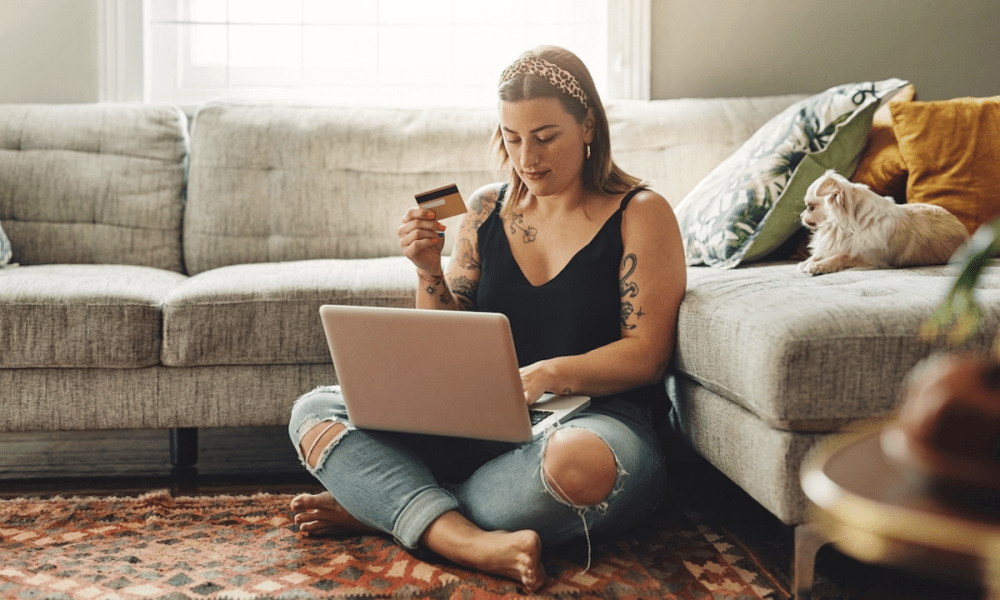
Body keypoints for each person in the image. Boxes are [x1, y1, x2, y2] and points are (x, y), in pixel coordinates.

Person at [287, 45, 687, 592]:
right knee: (315, 411)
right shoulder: (483, 210)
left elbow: (647, 353)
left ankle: (388, 507)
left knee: (577, 466)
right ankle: (463, 537)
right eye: (513, 138)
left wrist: (545, 375)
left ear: (588, 123)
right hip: (481, 425)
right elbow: (445, 339)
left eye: (546, 137)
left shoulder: (642, 212)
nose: (528, 157)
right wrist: (429, 270)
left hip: (593, 427)